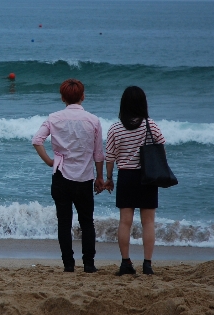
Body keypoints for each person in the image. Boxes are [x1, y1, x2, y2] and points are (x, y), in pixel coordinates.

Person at [32, 79, 105, 273]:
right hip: (84, 177)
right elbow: (98, 154)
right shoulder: (93, 120)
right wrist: (100, 177)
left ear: (62, 98)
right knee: (87, 222)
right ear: (83, 96)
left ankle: (68, 264)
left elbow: (37, 140)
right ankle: (89, 264)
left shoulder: (54, 118)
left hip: (61, 176)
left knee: (64, 222)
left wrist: (50, 161)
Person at [104, 86, 166, 276]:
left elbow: (110, 157)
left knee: (125, 222)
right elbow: (161, 146)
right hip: (147, 177)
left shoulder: (115, 128)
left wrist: (109, 178)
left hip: (126, 176)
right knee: (148, 222)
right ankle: (147, 264)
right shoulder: (151, 125)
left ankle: (125, 263)